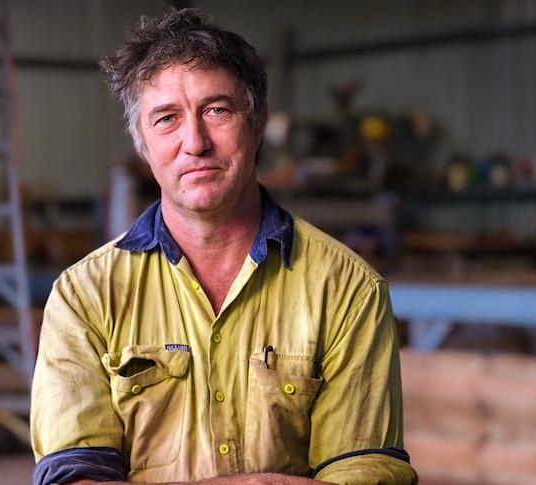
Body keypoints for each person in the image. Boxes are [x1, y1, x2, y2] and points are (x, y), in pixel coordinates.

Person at [30, 8, 417, 485]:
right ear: (142, 144)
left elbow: (365, 473)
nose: (194, 142)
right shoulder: (83, 297)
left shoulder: (347, 289)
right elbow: (75, 478)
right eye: (166, 119)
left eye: (217, 110)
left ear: (257, 124)